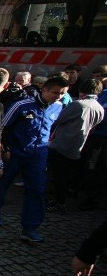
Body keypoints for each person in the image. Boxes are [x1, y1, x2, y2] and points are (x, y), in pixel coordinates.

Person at [0, 74, 70, 242]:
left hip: (38, 156)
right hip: (15, 153)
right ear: (44, 90)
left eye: (62, 93)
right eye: (55, 93)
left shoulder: (58, 107)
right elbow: (2, 127)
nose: (59, 97)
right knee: (2, 183)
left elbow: (52, 128)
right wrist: (5, 148)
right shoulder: (21, 105)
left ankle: (30, 227)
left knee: (36, 190)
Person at [47, 78, 104, 213]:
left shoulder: (78, 104)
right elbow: (94, 127)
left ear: (81, 90)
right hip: (79, 145)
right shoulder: (99, 107)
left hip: (62, 144)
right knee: (68, 174)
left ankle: (60, 203)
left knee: (59, 176)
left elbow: (58, 119)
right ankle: (62, 198)